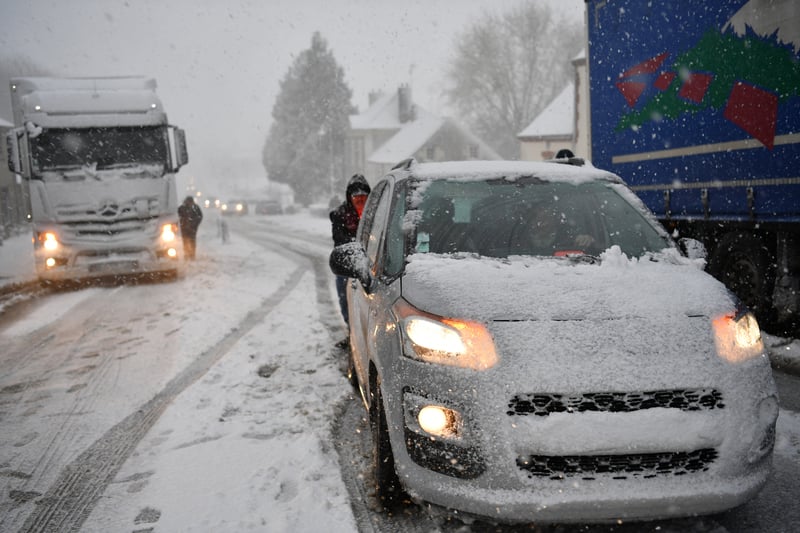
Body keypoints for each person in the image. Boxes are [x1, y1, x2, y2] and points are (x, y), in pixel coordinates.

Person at [330, 174, 371, 344]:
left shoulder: (375, 214)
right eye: (357, 198)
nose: (361, 202)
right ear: (350, 198)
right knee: (344, 290)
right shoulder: (341, 215)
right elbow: (340, 242)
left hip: (372, 263)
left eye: (364, 198)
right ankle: (351, 330)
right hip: (350, 263)